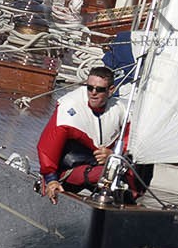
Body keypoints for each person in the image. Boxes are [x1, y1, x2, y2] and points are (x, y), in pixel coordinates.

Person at [37, 66, 140, 201]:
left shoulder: (121, 110)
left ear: (111, 90)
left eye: (99, 89)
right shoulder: (69, 106)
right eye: (89, 88)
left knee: (128, 174)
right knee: (103, 174)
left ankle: (127, 201)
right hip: (69, 168)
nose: (93, 93)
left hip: (99, 165)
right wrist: (51, 179)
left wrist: (113, 155)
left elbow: (131, 144)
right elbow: (47, 146)